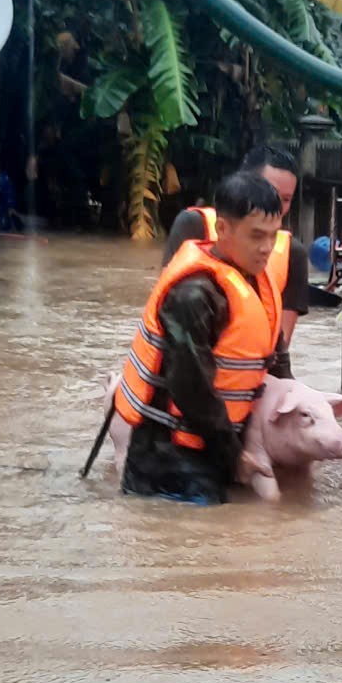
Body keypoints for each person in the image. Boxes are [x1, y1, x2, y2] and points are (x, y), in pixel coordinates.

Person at [115, 172, 283, 506]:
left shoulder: (254, 282)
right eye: (256, 236)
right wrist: (233, 455)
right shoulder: (194, 295)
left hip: (209, 450)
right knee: (197, 550)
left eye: (273, 236)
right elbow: (192, 388)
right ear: (223, 229)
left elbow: (275, 361)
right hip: (167, 461)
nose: (267, 248)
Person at [162, 146, 310, 375]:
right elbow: (171, 314)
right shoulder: (193, 225)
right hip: (190, 370)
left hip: (247, 376)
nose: (276, 206)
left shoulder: (294, 253)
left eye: (286, 199)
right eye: (268, 191)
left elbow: (278, 347)